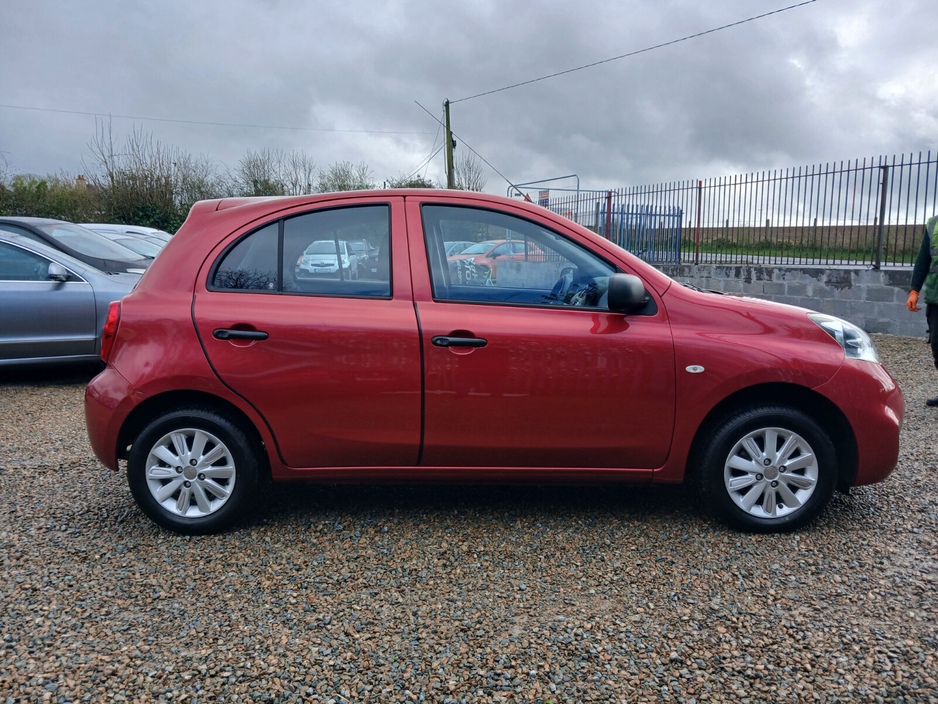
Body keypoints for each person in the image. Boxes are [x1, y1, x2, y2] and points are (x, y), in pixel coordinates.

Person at [907, 214, 938, 406]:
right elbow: (923, 261)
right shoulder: (934, 224)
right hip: (936, 298)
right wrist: (914, 290)